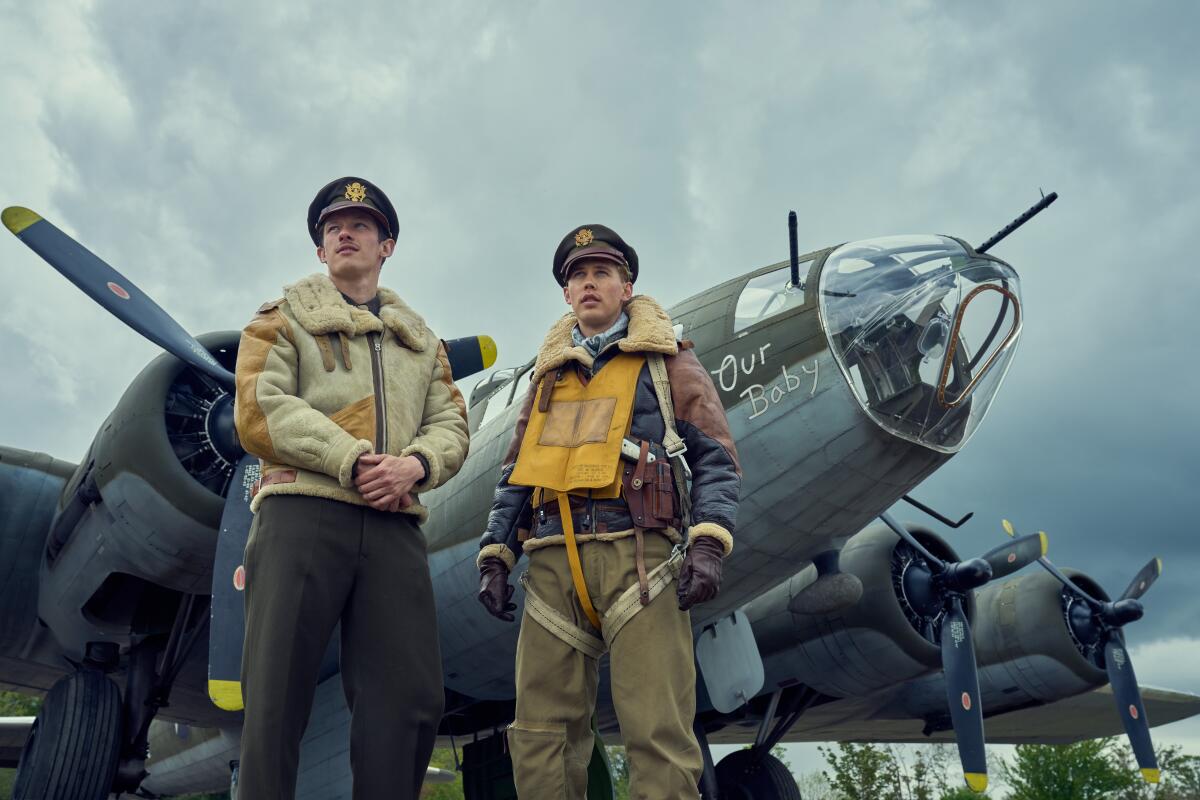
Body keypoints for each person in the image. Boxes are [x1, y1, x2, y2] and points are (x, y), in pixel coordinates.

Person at [476, 224, 740, 799]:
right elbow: (516, 476)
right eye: (578, 276)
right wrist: (497, 554)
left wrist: (709, 541)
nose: (589, 283)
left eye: (602, 273)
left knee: (658, 732)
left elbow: (717, 459)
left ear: (627, 287)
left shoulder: (670, 362)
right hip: (551, 563)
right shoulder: (544, 379)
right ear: (566, 295)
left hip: (641, 560)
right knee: (540, 735)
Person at [233, 177, 469, 799]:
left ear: (386, 245)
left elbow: (450, 423)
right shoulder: (280, 317)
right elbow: (260, 407)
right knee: (275, 694)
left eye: (360, 225)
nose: (344, 232)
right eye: (333, 227)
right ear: (319, 250)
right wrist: (352, 458)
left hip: (395, 524)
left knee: (412, 698)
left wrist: (415, 466)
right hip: (302, 514)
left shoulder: (422, 343)